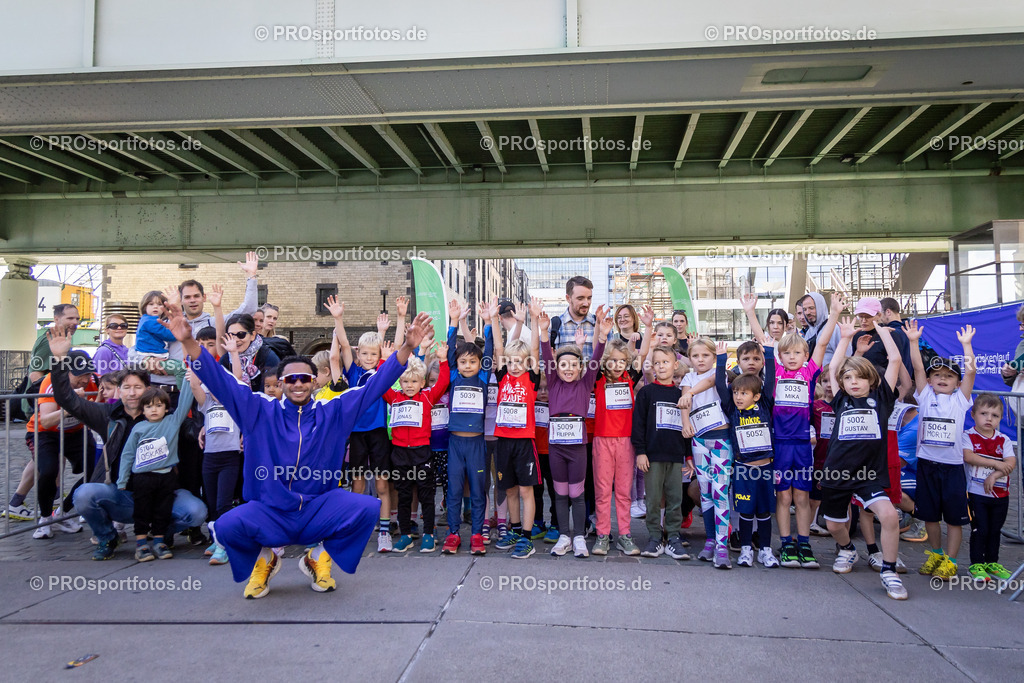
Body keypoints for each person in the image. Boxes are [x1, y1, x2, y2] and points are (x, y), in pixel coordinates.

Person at [172, 293, 433, 597]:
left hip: (316, 509)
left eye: (304, 378)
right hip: (270, 510)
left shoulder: (333, 411)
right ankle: (265, 559)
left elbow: (374, 386)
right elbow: (220, 381)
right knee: (226, 526)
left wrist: (407, 348)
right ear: (280, 384)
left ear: (313, 382)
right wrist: (189, 342)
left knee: (366, 508)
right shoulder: (258, 410)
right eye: (291, 379)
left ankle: (318, 556)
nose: (298, 384)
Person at [46, 328, 207, 560]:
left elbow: (187, 421)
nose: (132, 393)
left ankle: (159, 532)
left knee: (196, 512)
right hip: (122, 494)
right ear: (119, 391)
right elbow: (67, 400)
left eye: (138, 387)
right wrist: (60, 360)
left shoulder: (163, 415)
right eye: (127, 388)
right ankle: (107, 537)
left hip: (162, 491)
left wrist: (202, 428)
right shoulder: (107, 415)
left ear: (148, 390)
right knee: (83, 494)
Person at [822, 318, 908, 601]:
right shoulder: (840, 401)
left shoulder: (882, 398)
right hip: (836, 473)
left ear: (871, 380)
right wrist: (845, 337)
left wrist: (882, 331)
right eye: (848, 378)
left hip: (868, 475)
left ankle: (889, 570)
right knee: (834, 525)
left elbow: (894, 359)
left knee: (889, 516)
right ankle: (847, 549)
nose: (853, 382)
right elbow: (833, 367)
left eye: (858, 377)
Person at [773, 292, 845, 569]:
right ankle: (786, 543)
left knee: (802, 496)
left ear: (806, 355)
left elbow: (824, 342)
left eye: (797, 353)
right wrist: (749, 312)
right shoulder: (777, 372)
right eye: (787, 353)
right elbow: (767, 341)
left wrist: (836, 314)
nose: (792, 357)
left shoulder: (809, 371)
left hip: (804, 445)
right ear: (780, 356)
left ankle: (804, 543)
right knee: (784, 496)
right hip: (780, 444)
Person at [904, 319, 976, 580]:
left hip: (953, 468)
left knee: (954, 519)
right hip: (926, 465)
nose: (942, 379)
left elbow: (971, 373)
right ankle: (935, 554)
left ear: (956, 382)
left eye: (948, 376)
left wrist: (966, 346)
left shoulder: (960, 400)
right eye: (937, 375)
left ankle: (952, 560)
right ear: (930, 380)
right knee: (930, 517)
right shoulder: (925, 396)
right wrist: (913, 341)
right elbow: (917, 367)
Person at [539, 305, 608, 557]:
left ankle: (579, 536)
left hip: (578, 450)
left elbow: (596, 358)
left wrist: (601, 338)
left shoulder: (585, 383)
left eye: (573, 365)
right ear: (556, 368)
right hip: (556, 449)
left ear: (580, 368)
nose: (568, 369)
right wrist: (544, 332)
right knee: (559, 494)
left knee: (577, 494)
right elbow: (547, 356)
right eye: (563, 364)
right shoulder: (554, 383)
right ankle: (564, 536)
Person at [117, 362, 192, 562]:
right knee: (141, 511)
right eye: (149, 406)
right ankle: (141, 543)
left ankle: (159, 541)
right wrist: (123, 480)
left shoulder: (172, 422)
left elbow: (185, 401)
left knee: (163, 511)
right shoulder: (138, 428)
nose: (154, 410)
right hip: (142, 478)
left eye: (159, 406)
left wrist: (186, 378)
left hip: (166, 476)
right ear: (142, 410)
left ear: (167, 408)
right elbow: (128, 454)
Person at [335, 301, 394, 551]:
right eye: (365, 354)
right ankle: (355, 527)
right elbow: (345, 346)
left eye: (374, 354)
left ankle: (384, 530)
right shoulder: (353, 372)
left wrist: (382, 336)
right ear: (359, 354)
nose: (369, 358)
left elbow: (389, 355)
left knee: (382, 484)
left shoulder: (381, 371)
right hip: (357, 434)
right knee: (357, 483)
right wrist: (338, 318)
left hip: (379, 432)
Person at [717, 340, 780, 568]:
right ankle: (745, 549)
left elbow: (770, 380)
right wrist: (721, 358)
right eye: (736, 393)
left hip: (765, 469)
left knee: (764, 513)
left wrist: (770, 353)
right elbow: (719, 385)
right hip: (743, 469)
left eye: (744, 393)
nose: (738, 397)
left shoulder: (765, 404)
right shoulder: (731, 409)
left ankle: (765, 550)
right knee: (745, 512)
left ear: (756, 396)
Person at [489, 297, 543, 559]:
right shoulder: (503, 375)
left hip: (524, 441)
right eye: (511, 362)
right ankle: (513, 529)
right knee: (508, 488)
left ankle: (527, 537)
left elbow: (533, 350)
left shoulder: (531, 379)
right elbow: (500, 348)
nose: (514, 366)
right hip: (503, 440)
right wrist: (491, 319)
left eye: (519, 362)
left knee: (525, 489)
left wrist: (529, 319)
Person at [383, 346, 449, 554]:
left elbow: (443, 382)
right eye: (405, 381)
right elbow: (382, 384)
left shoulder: (428, 397)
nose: (409, 386)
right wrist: (384, 361)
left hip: (422, 453)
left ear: (422, 382)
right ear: (400, 382)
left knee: (426, 496)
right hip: (400, 453)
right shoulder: (394, 398)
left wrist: (444, 360)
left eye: (414, 382)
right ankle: (405, 536)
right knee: (403, 496)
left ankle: (429, 534)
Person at [441, 299, 494, 556]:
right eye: (463, 362)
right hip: (455, 443)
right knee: (453, 489)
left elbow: (491, 350)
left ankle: (476, 534)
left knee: (477, 490)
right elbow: (450, 352)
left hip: (476, 444)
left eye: (473, 362)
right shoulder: (453, 377)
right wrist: (453, 322)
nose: (468, 366)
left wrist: (487, 323)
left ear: (479, 364)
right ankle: (452, 534)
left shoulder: (483, 378)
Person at [632, 344, 693, 560]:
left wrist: (687, 456)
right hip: (652, 457)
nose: (661, 366)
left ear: (675, 365)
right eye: (656, 363)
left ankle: (674, 537)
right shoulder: (647, 393)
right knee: (654, 499)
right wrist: (640, 452)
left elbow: (685, 427)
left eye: (665, 362)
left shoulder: (681, 395)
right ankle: (655, 537)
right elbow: (638, 425)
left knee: (675, 498)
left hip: (675, 457)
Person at [27, 351, 97, 539]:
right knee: (49, 470)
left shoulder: (91, 382)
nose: (85, 379)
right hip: (44, 433)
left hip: (75, 432)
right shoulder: (51, 382)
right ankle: (45, 519)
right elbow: (47, 421)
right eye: (79, 374)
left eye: (88, 373)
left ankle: (62, 512)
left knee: (96, 469)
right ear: (66, 372)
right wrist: (70, 405)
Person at [679, 338, 734, 567]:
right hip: (699, 441)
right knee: (706, 493)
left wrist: (691, 392)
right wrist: (684, 423)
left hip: (721, 440)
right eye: (695, 356)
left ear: (713, 357)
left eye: (705, 356)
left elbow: (711, 381)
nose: (700, 360)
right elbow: (684, 403)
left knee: (721, 492)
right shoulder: (688, 377)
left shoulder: (720, 372)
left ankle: (723, 545)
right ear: (689, 358)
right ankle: (710, 539)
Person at [593, 335, 643, 556]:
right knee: (603, 491)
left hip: (626, 442)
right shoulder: (598, 379)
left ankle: (625, 535)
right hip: (602, 440)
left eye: (621, 360)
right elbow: (595, 359)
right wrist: (600, 335)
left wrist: (649, 327)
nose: (616, 365)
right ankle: (602, 535)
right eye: (612, 360)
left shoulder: (630, 377)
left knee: (624, 492)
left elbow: (642, 354)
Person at [186, 368, 241, 566]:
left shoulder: (235, 405)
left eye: (222, 388)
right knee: (211, 502)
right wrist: (194, 364)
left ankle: (224, 545)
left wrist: (233, 353)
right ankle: (215, 538)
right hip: (209, 458)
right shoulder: (206, 403)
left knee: (223, 503)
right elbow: (194, 385)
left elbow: (238, 378)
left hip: (230, 458)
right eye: (214, 389)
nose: (217, 393)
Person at [962, 394, 1017, 581]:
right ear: (973, 414)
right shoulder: (968, 436)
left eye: (994, 415)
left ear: (1000, 419)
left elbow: (1010, 463)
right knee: (981, 528)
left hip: (1001, 494)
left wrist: (995, 474)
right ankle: (976, 564)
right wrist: (995, 464)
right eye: (984, 413)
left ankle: (992, 562)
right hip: (977, 493)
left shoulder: (1004, 440)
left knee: (995, 530)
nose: (989, 419)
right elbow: (969, 457)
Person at [220, 313, 280, 393]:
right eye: (231, 335)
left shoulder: (268, 356)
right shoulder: (226, 359)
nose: (236, 340)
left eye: (241, 335)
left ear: (252, 335)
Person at [28, 303, 80, 383]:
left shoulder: (53, 340)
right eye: (70, 318)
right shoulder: (49, 342)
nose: (75, 322)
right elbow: (35, 376)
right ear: (56, 319)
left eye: (77, 319)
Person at [551, 276, 597, 360]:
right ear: (568, 298)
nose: (586, 303)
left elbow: (608, 361)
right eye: (580, 298)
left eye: (589, 298)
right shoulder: (554, 325)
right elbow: (542, 362)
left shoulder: (599, 325)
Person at [797, 292, 842, 365]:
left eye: (811, 308)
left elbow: (845, 356)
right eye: (804, 309)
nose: (807, 312)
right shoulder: (809, 331)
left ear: (820, 307)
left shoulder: (835, 329)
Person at [133, 290, 177, 361]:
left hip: (145, 352)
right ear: (145, 307)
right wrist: (178, 333)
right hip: (152, 353)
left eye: (159, 304)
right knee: (179, 368)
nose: (155, 307)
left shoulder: (144, 319)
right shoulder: (151, 321)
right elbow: (167, 335)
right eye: (151, 304)